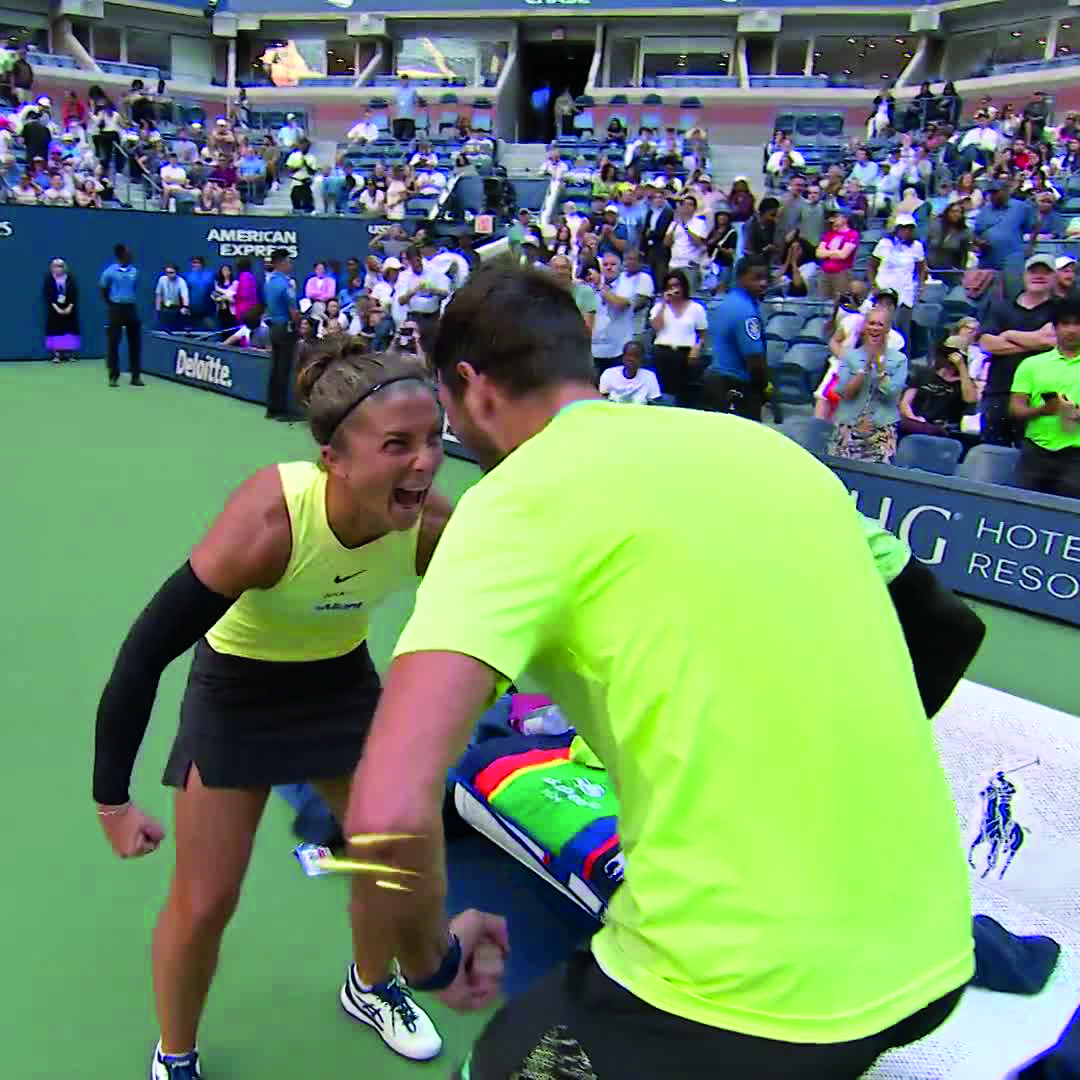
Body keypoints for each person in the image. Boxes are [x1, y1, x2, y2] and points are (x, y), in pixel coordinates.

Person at [341, 262, 974, 1080]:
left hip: (734, 994)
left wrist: (431, 962)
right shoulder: (761, 448)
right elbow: (944, 629)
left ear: (471, 387)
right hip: (931, 951)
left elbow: (388, 807)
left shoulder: (514, 501)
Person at [92, 344, 464, 1080]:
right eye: (398, 445)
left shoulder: (430, 526)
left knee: (386, 851)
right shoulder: (270, 520)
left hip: (340, 684)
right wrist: (112, 800)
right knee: (206, 902)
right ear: (334, 458)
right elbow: (144, 653)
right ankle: (177, 1056)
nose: (425, 463)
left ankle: (371, 986)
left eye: (431, 439)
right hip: (238, 691)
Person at [978, 253, 1059, 446]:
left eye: (1045, 272)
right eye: (1033, 271)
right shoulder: (1000, 308)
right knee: (992, 456)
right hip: (998, 392)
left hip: (1041, 397)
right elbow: (987, 343)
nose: (1038, 276)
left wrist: (1008, 335)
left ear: (1054, 278)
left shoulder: (1060, 309)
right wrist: (1035, 340)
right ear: (1024, 275)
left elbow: (1052, 341)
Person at [1009, 297, 1080, 498]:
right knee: (1021, 511)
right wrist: (1043, 410)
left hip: (1077, 457)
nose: (1072, 330)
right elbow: (1015, 409)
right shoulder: (1031, 365)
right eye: (1065, 323)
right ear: (1055, 328)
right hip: (1035, 453)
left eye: (1077, 323)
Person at [828, 305, 908, 463]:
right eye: (871, 323)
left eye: (880, 324)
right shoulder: (850, 357)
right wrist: (863, 370)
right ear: (864, 326)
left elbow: (892, 394)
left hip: (881, 431)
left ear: (888, 329)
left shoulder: (899, 360)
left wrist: (879, 367)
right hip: (848, 427)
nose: (875, 328)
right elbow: (845, 393)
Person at [701, 255, 768, 419]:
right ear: (741, 278)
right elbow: (754, 359)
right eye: (757, 278)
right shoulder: (746, 312)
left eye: (766, 278)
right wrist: (764, 388)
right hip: (735, 385)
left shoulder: (728, 302)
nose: (763, 283)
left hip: (716, 379)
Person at [649, 269, 707, 405]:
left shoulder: (696, 308)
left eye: (677, 285)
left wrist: (697, 347)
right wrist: (664, 303)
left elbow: (703, 334)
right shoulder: (659, 307)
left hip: (686, 355)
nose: (674, 289)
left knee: (685, 395)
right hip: (663, 352)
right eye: (670, 286)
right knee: (664, 393)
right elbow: (656, 327)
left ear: (684, 286)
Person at [900, 341, 978, 437]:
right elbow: (905, 402)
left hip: (944, 427)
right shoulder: (924, 374)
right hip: (917, 422)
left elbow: (970, 399)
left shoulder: (965, 382)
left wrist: (961, 367)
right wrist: (913, 418)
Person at [870, 214, 926, 341]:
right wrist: (874, 285)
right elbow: (872, 266)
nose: (906, 231)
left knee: (902, 331)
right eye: (903, 227)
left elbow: (921, 268)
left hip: (905, 292)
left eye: (909, 228)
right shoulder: (884, 243)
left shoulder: (917, 246)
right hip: (884, 291)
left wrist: (921, 286)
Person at [100, 244, 142, 388]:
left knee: (135, 343)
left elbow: (133, 288)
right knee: (113, 343)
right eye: (128, 254)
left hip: (131, 308)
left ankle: (135, 376)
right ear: (120, 255)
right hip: (116, 308)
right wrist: (111, 303)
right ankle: (113, 376)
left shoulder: (135, 271)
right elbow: (103, 289)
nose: (131, 256)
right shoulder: (109, 272)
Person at [264, 247, 299, 420]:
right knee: (284, 369)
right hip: (285, 328)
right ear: (281, 263)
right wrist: (298, 325)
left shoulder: (269, 282)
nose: (290, 264)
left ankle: (272, 408)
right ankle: (283, 411)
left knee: (275, 367)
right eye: (288, 261)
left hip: (273, 328)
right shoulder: (286, 283)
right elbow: (293, 310)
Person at [43, 257, 80, 364]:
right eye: (56, 266)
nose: (58, 268)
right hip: (54, 309)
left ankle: (69, 354)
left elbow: (74, 293)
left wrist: (69, 307)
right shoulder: (48, 279)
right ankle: (57, 355)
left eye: (60, 266)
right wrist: (57, 308)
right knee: (55, 330)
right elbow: (47, 295)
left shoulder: (70, 278)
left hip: (69, 308)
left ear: (64, 267)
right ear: (52, 268)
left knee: (69, 329)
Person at [816, 209, 859, 300]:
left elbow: (843, 255)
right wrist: (835, 252)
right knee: (822, 301)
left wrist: (827, 253)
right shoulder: (829, 234)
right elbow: (818, 253)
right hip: (825, 272)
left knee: (840, 300)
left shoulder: (852, 234)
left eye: (836, 217)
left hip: (841, 273)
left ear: (845, 219)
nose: (832, 219)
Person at [155, 263, 190, 332]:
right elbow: (159, 294)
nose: (169, 275)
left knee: (180, 322)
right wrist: (158, 309)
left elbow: (185, 296)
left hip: (177, 307)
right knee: (163, 324)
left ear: (176, 272)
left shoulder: (181, 281)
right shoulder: (162, 279)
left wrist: (185, 307)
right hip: (165, 307)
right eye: (167, 273)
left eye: (171, 273)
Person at [393, 74, 417, 142]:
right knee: (397, 136)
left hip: (409, 117)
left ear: (408, 81)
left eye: (406, 80)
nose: (404, 82)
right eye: (403, 81)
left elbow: (416, 102)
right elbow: (394, 102)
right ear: (401, 81)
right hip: (399, 117)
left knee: (410, 137)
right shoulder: (396, 91)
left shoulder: (413, 90)